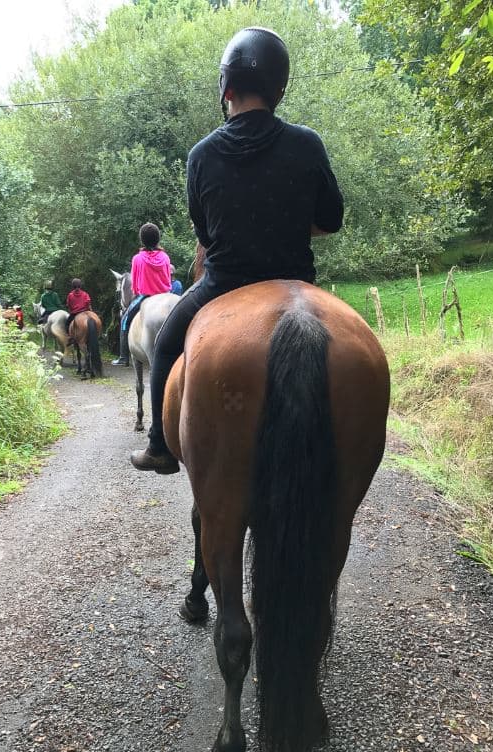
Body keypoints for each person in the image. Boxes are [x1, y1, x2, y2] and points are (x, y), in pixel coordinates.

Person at [130, 26, 344, 474]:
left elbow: (206, 234)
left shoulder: (201, 155)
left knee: (168, 340)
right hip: (295, 284)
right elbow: (331, 221)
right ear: (278, 90)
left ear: (225, 85)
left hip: (223, 286)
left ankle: (160, 447)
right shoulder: (307, 143)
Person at [112, 223, 172, 366]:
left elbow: (135, 284)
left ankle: (123, 356)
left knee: (125, 320)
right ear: (158, 239)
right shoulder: (165, 257)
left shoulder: (137, 259)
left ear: (142, 240)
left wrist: (139, 291)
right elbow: (168, 278)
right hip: (165, 296)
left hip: (145, 296)